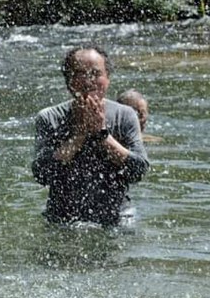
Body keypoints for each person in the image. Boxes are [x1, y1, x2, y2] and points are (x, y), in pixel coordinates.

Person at [32, 46, 150, 226]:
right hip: (63, 217)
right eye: (80, 73)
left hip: (118, 216)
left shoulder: (125, 115)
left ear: (107, 78)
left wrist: (102, 133)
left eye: (95, 73)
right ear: (68, 80)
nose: (88, 81)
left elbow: (138, 171)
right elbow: (42, 174)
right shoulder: (49, 117)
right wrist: (79, 134)